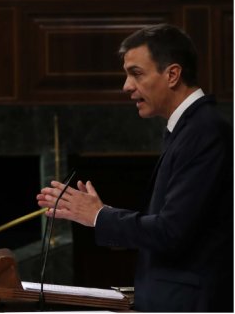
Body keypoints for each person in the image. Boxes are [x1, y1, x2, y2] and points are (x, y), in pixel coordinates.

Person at [36, 24, 233, 311]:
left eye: (136, 73)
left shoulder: (205, 131)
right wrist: (98, 214)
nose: (126, 86)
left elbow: (172, 231)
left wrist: (99, 216)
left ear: (172, 74)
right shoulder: (185, 129)